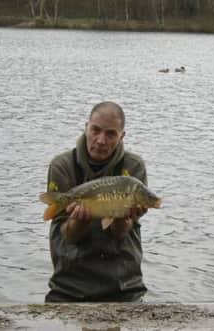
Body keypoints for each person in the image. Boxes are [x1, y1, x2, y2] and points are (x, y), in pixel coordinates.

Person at [44, 101, 149, 302]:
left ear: (122, 136)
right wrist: (78, 221)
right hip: (68, 287)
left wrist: (122, 218)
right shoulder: (62, 166)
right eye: (95, 130)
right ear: (86, 127)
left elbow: (120, 234)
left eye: (111, 134)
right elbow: (67, 238)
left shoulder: (133, 168)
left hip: (124, 286)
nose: (101, 140)